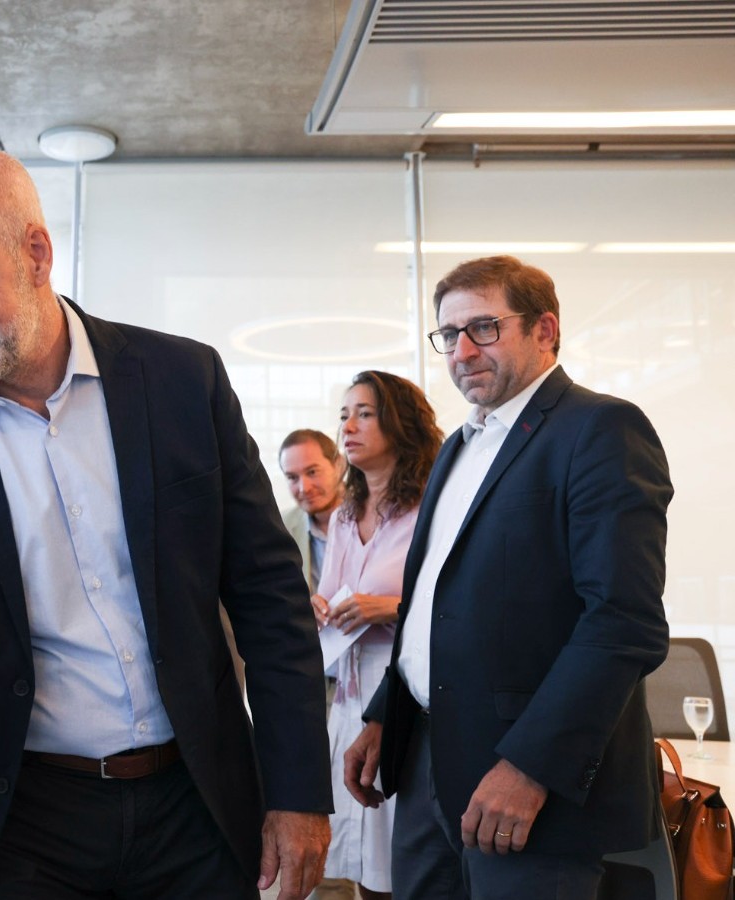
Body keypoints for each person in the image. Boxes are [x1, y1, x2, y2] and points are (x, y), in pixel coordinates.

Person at [0, 146, 333, 900]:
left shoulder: (181, 380)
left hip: (194, 804)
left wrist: (298, 788)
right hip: (15, 817)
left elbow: (270, 596)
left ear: (36, 254)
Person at [344, 256, 673, 899]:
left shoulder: (599, 429)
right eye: (448, 334)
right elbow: (432, 602)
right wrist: (387, 713)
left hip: (525, 781)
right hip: (425, 762)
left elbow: (622, 620)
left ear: (545, 329)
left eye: (484, 327)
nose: (462, 351)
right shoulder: (458, 448)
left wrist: (530, 766)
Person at [315, 372, 441, 900]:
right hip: (346, 698)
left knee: (403, 863)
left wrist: (389, 607)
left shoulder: (431, 506)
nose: (349, 425)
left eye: (364, 413)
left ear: (400, 422)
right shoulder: (344, 513)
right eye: (344, 414)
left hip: (403, 699)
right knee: (362, 867)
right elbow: (331, 598)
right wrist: (317, 606)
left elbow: (453, 604)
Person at [279, 428, 345, 593]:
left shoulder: (376, 515)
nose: (304, 488)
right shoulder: (280, 527)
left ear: (339, 465)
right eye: (292, 477)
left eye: (312, 472)